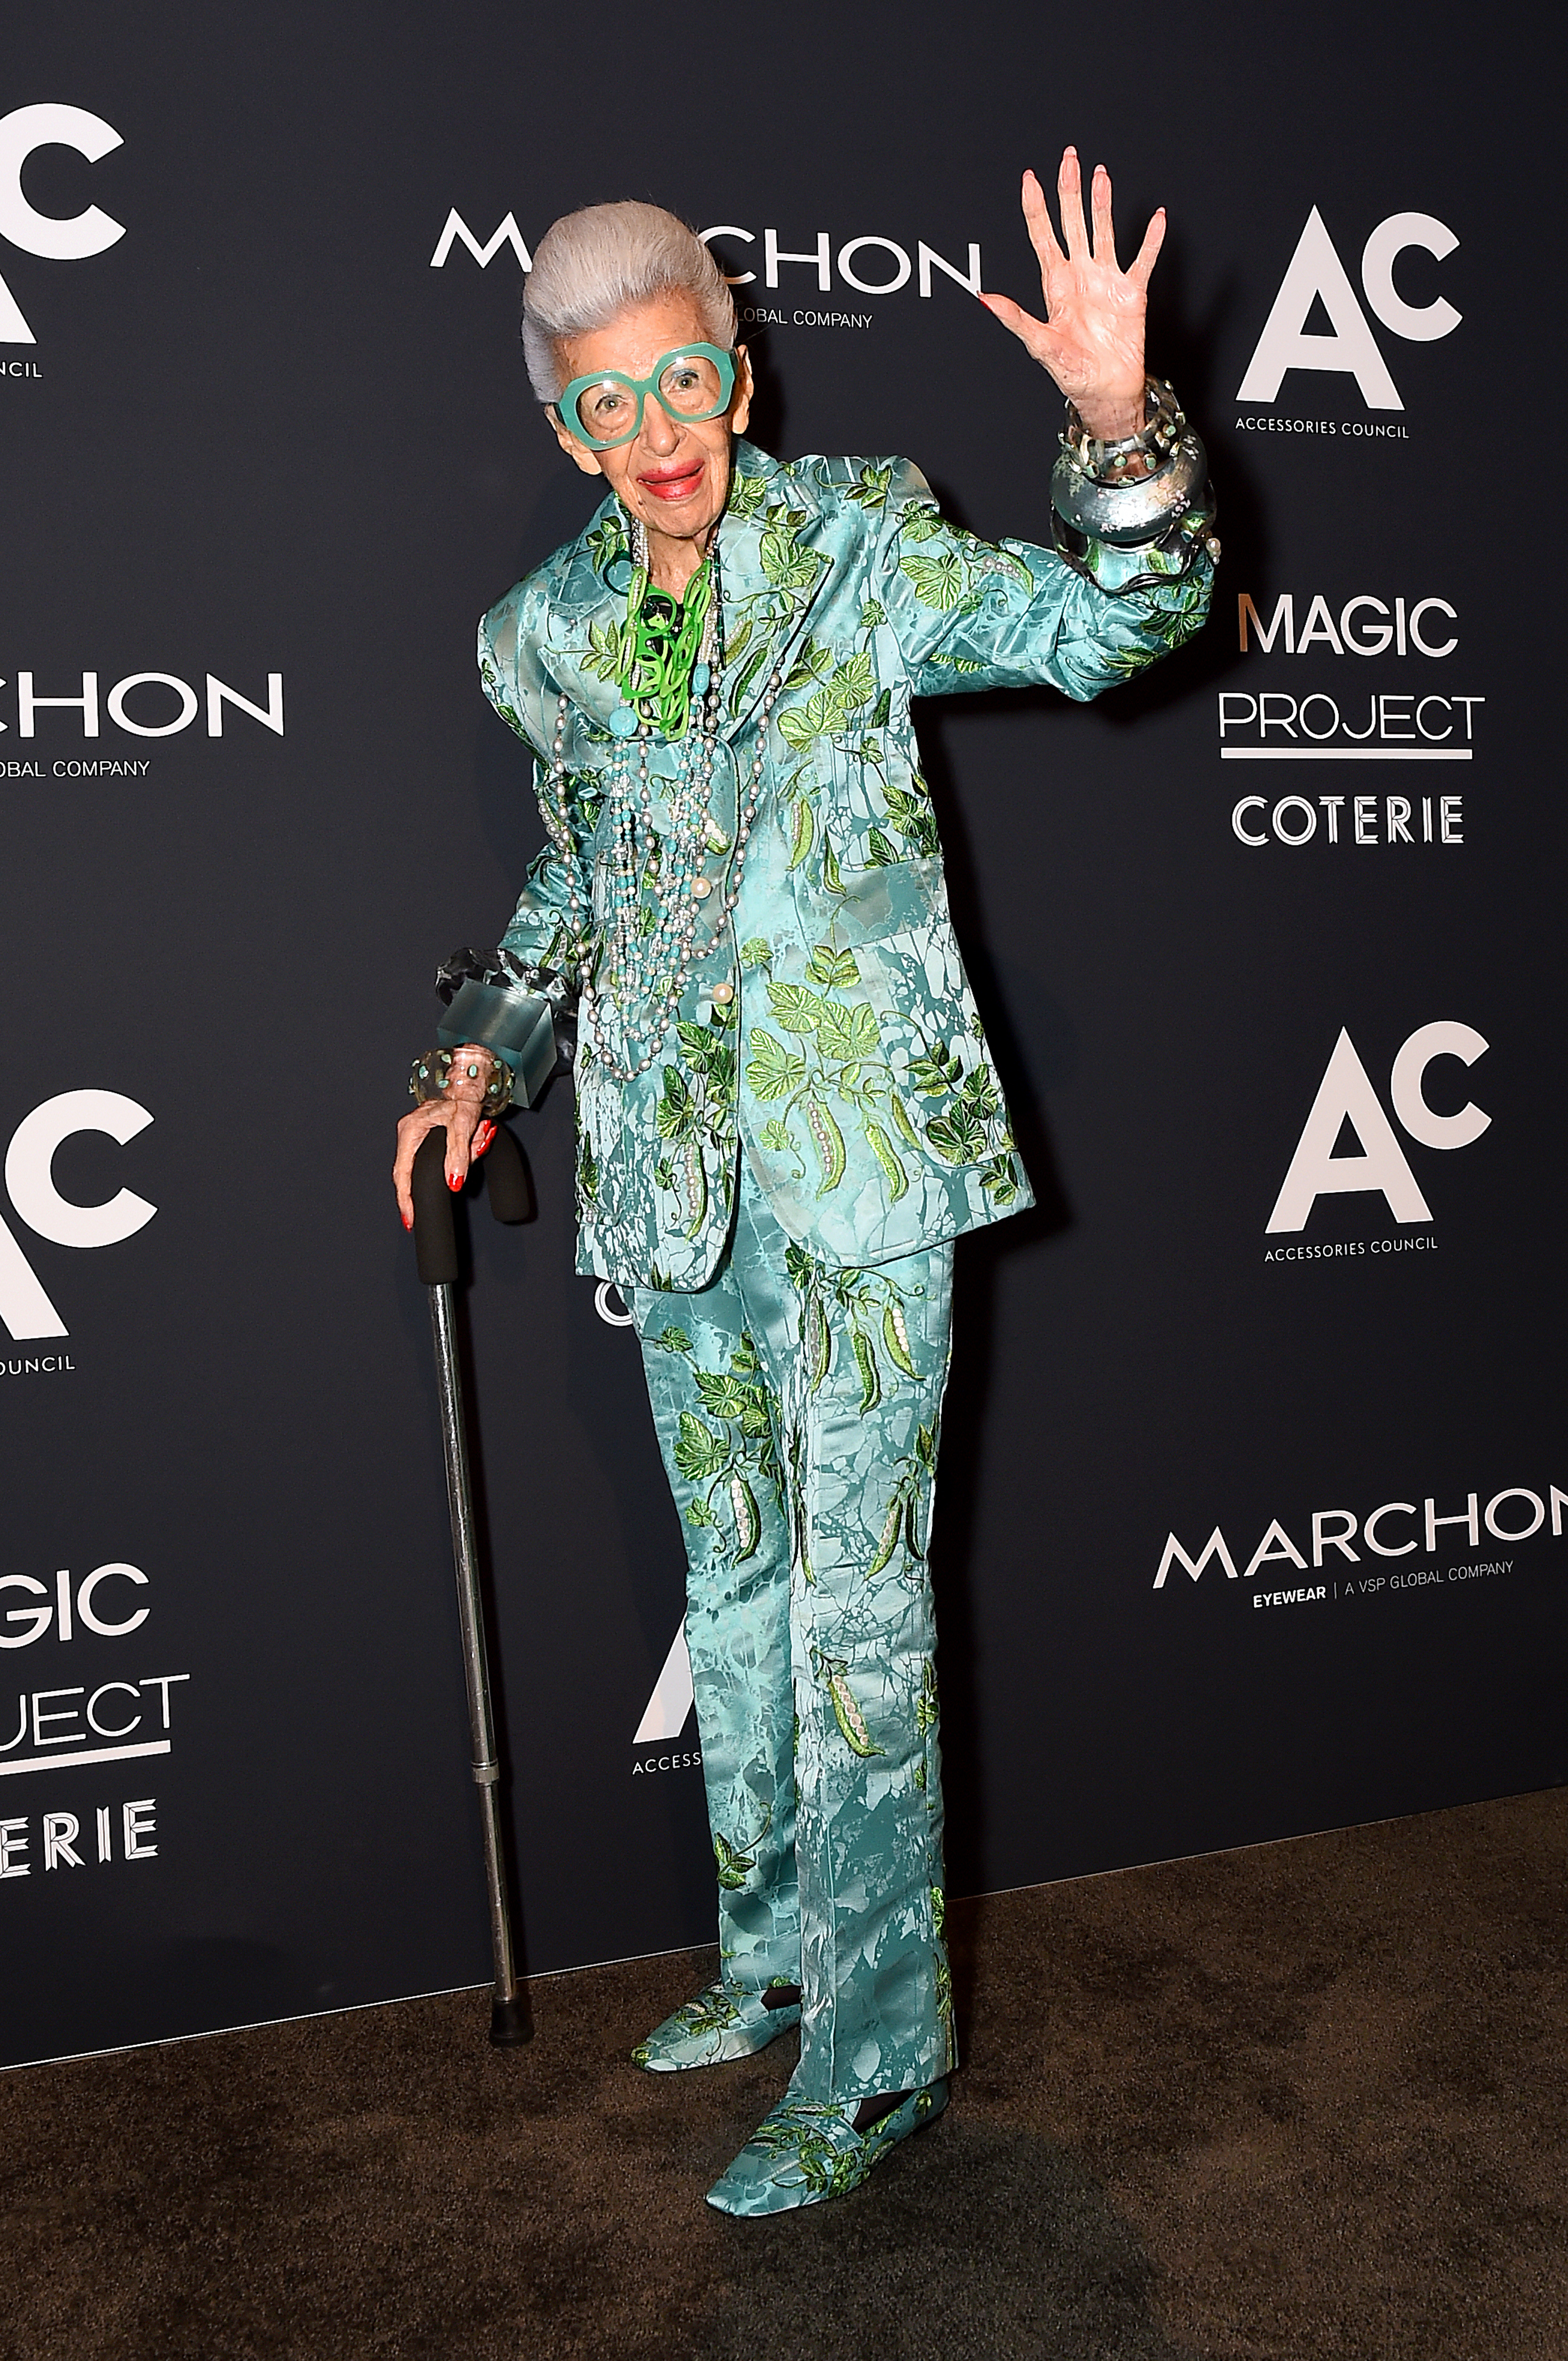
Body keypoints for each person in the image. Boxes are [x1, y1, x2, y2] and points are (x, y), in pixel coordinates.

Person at [393, 151, 1215, 2217]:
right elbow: (571, 881)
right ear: (558, 422)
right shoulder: (542, 636)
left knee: (859, 1620)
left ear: (738, 381)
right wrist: (482, 1056)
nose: (655, 440)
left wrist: (1116, 428)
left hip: (863, 1181)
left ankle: (878, 2060)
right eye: (607, 407)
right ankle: (768, 1959)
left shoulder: (858, 543)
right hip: (680, 1196)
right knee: (741, 1592)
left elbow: (1118, 624)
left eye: (685, 388)